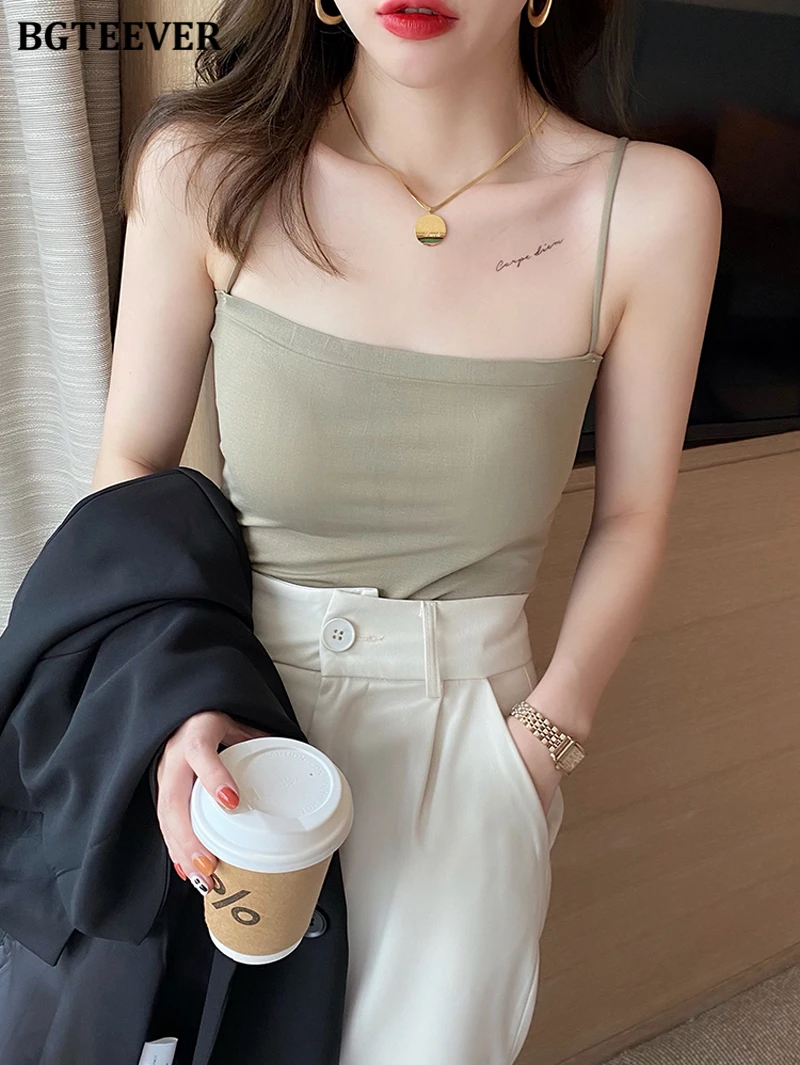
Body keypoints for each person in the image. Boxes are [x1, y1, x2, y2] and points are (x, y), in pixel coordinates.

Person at [92, 0, 722, 1062]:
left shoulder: (648, 207)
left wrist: (541, 742)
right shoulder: (203, 167)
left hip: (470, 744)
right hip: (228, 725)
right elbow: (131, 469)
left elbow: (632, 512)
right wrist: (172, 698)